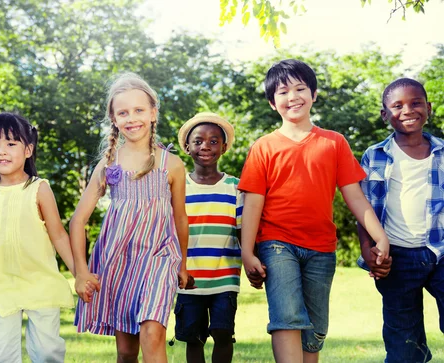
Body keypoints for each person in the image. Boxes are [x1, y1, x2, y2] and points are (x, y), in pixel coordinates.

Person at [238, 59, 390, 363]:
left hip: (321, 248)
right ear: (272, 102)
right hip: (277, 243)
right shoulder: (263, 147)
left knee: (315, 329)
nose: (292, 96)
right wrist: (247, 252)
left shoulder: (334, 142)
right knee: (287, 316)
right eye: (283, 91)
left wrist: (379, 237)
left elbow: (356, 199)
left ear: (314, 94)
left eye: (300, 88)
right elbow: (253, 203)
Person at [71, 72, 190, 363]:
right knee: (126, 352)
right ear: (114, 118)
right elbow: (77, 221)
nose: (131, 118)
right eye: (123, 112)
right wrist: (81, 272)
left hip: (160, 258)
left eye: (139, 110)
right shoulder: (108, 163)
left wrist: (183, 263)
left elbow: (180, 218)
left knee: (152, 333)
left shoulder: (171, 165)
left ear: (153, 113)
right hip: (118, 261)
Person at [0, 113, 74, 363]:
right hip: (1, 284)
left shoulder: (39, 188)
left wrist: (79, 273)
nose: (2, 151)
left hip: (39, 280)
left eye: (11, 144)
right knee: (2, 353)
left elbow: (58, 234)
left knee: (47, 352)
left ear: (28, 150)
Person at [358, 78, 443, 363]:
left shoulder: (442, 153)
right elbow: (364, 207)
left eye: (416, 103)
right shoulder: (375, 155)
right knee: (403, 346)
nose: (408, 110)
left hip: (441, 252)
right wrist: (367, 249)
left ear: (428, 108)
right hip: (396, 258)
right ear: (385, 115)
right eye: (397, 106)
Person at [174, 112, 242, 363]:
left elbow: (243, 230)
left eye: (214, 141)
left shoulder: (236, 186)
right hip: (189, 278)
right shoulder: (178, 188)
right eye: (199, 141)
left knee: (223, 332)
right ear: (187, 147)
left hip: (225, 277)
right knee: (194, 338)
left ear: (224, 148)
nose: (205, 146)